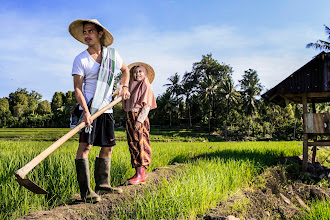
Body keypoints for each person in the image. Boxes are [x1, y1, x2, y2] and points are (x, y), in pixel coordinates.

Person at [69, 19, 130, 202]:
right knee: (85, 146)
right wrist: (86, 112)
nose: (87, 35)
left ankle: (103, 185)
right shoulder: (81, 59)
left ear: (100, 34)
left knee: (108, 147)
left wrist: (124, 87)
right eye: (84, 32)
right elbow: (78, 89)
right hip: (89, 108)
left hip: (107, 110)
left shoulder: (112, 55)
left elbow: (126, 70)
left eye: (90, 31)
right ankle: (86, 192)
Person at [122, 62, 157, 185]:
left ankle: (141, 174)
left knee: (141, 143)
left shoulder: (146, 86)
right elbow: (123, 95)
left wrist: (139, 120)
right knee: (133, 143)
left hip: (139, 117)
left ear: (145, 73)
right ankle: (138, 172)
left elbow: (146, 106)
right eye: (135, 72)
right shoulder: (131, 86)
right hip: (130, 117)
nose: (137, 74)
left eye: (140, 71)